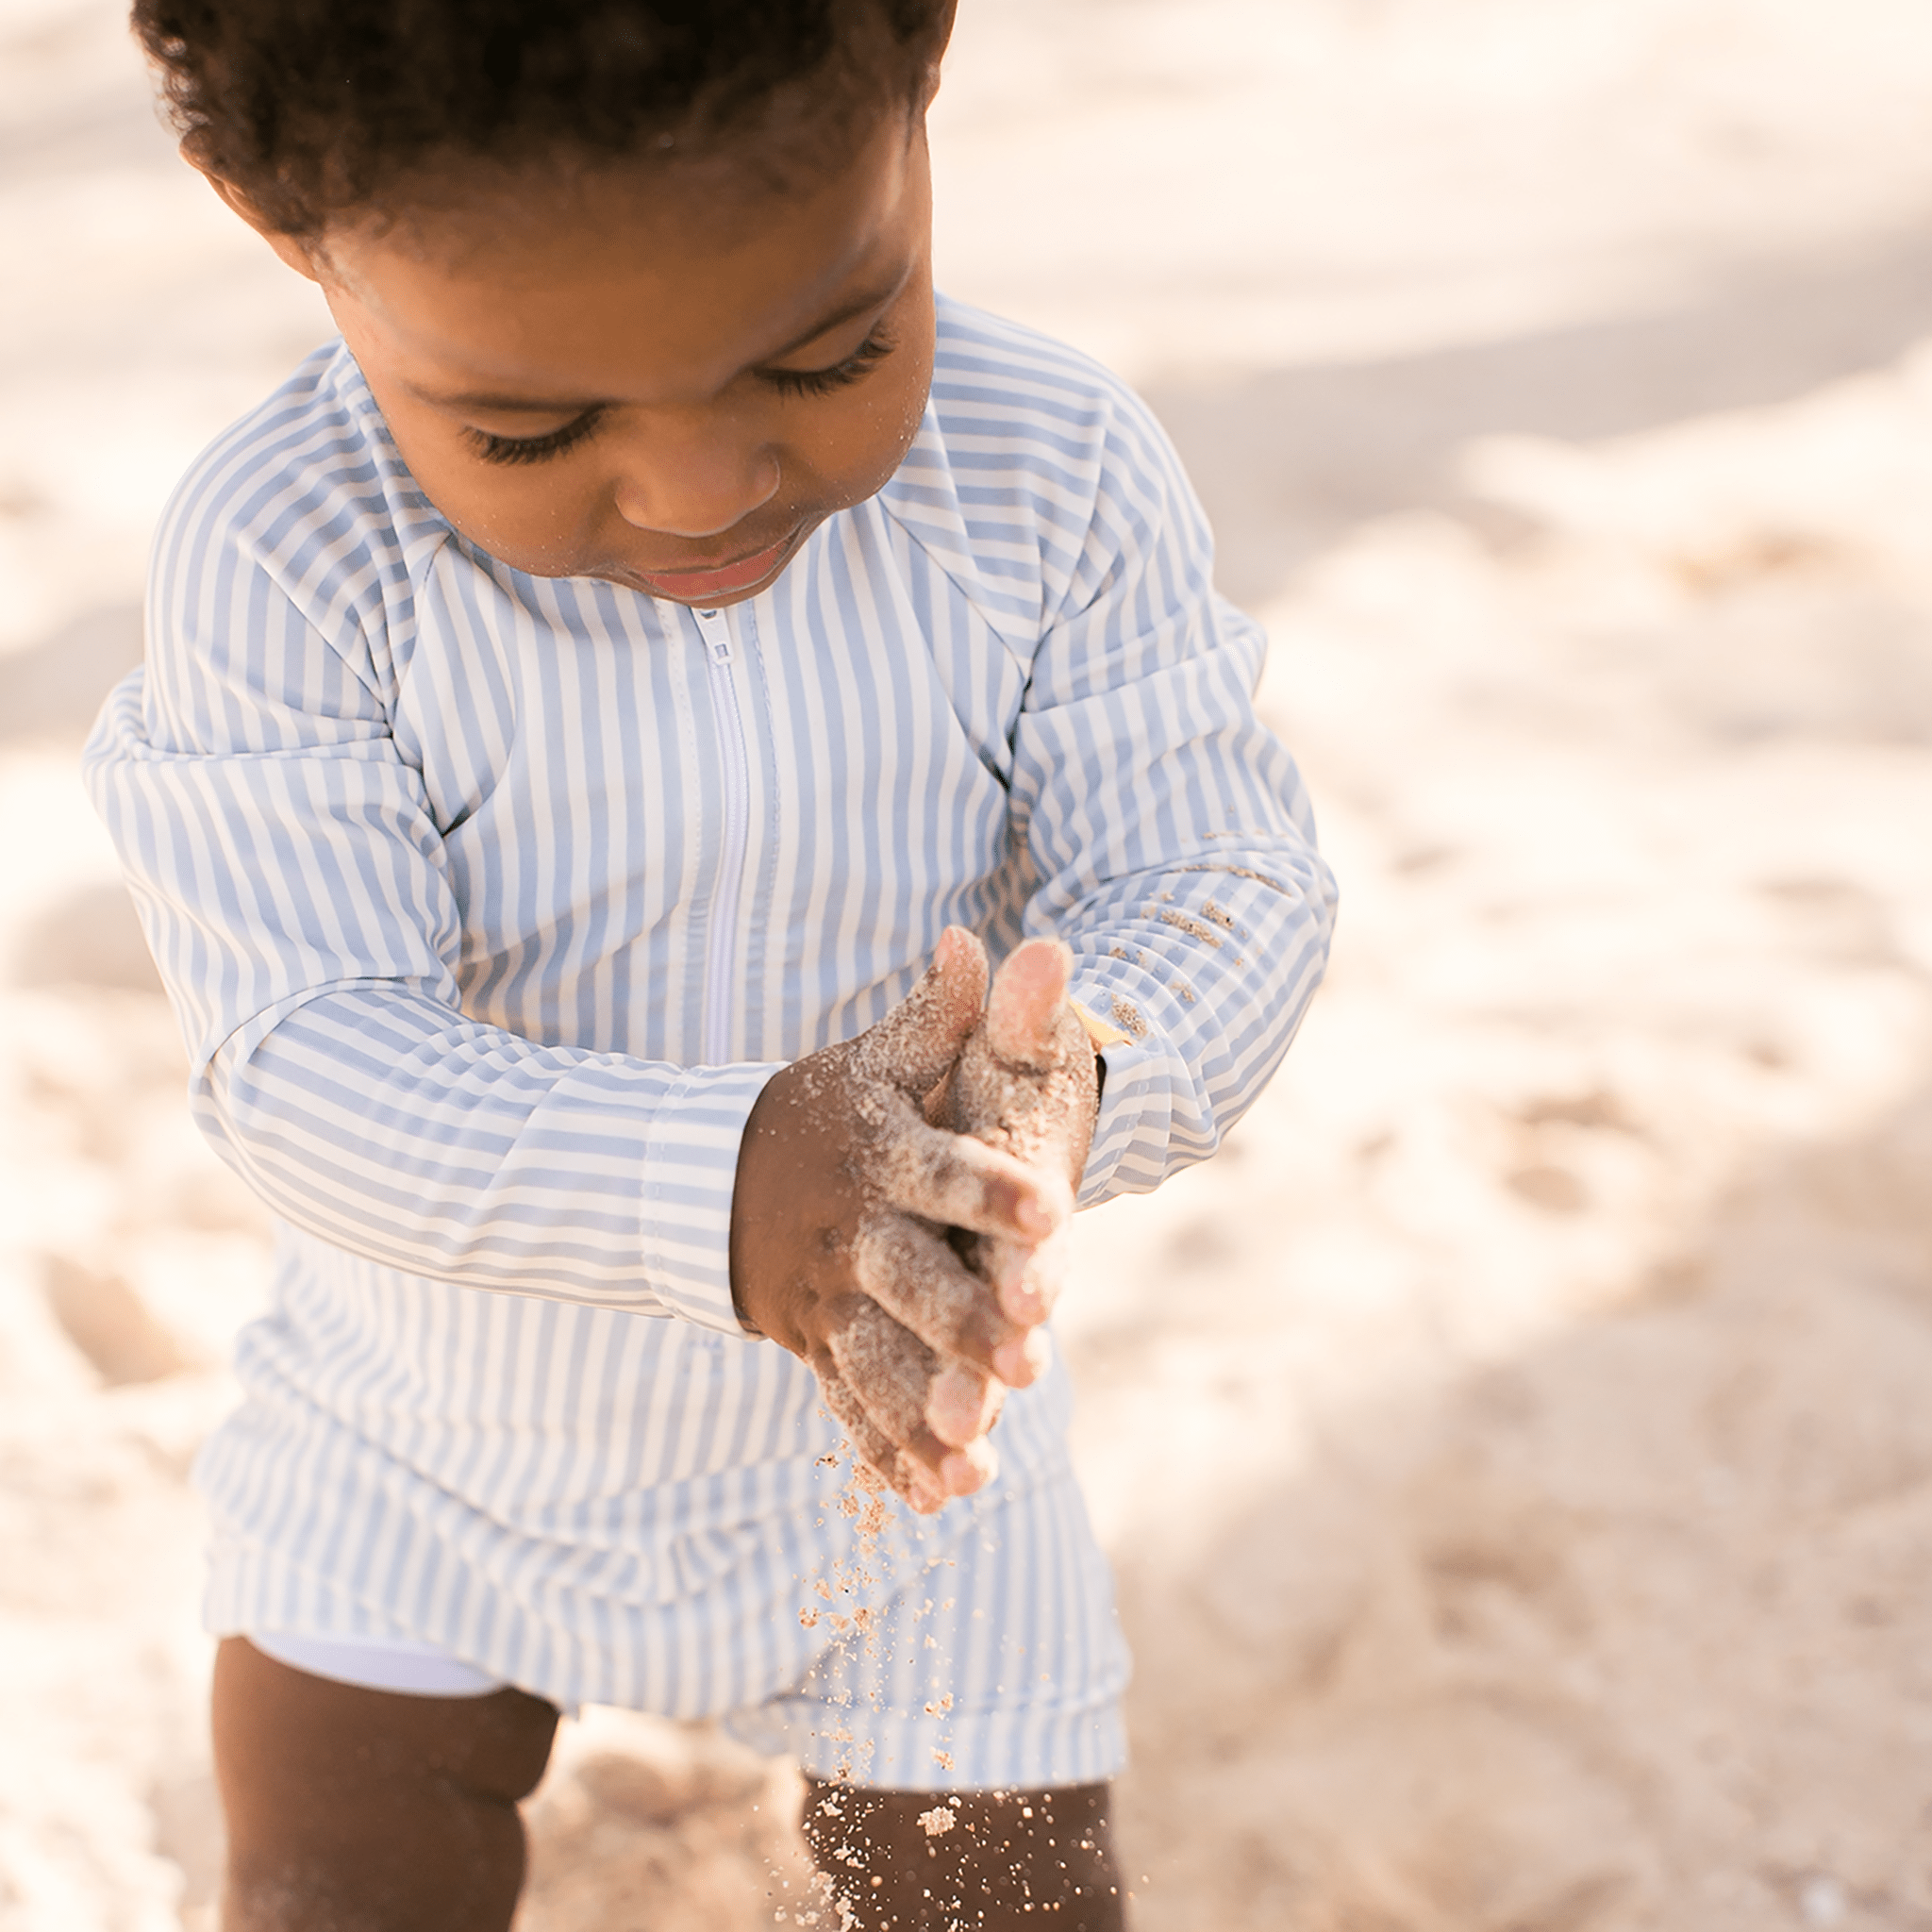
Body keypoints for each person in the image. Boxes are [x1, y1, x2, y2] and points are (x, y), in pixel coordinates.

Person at [85, 0, 1337, 1924]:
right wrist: (730, 1180)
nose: (698, 487)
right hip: (423, 1457)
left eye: (830, 350)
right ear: (281, 218)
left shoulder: (1046, 467)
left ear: (922, 71)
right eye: (526, 424)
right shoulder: (292, 552)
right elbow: (308, 1054)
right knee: (337, 1886)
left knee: (1012, 1896)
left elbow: (1217, 863)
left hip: (921, 1470)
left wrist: (1072, 1068)